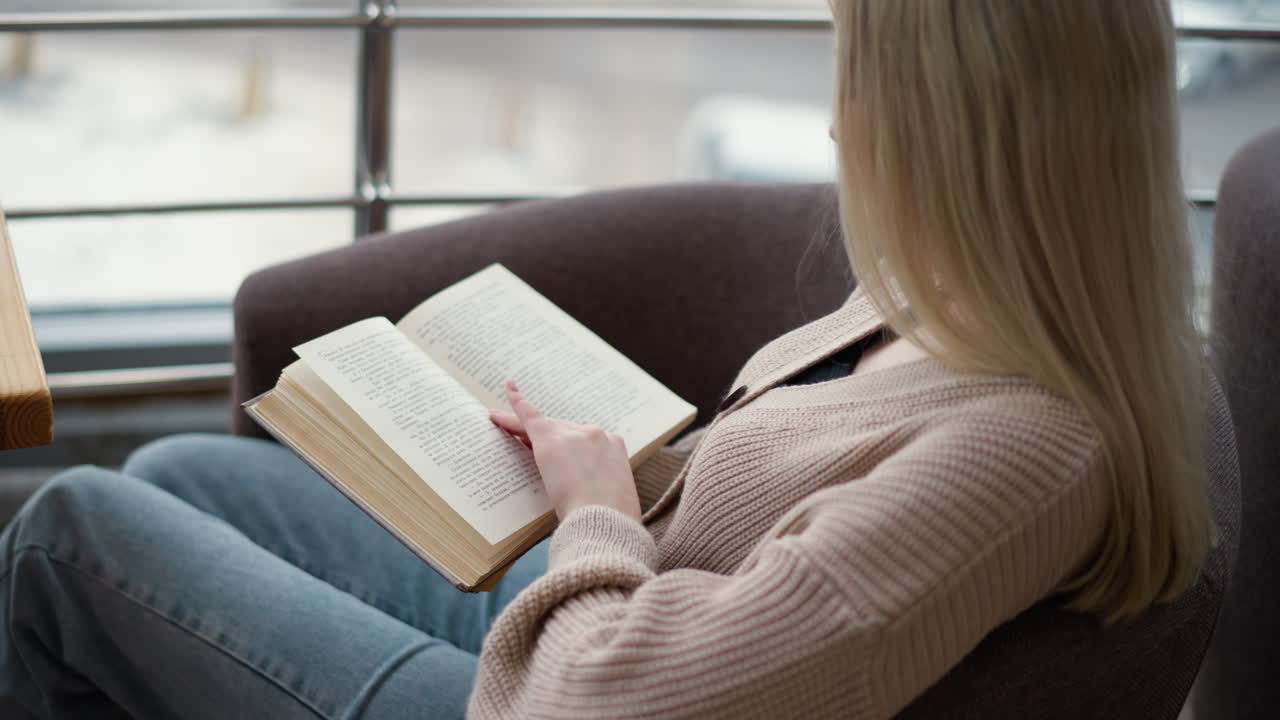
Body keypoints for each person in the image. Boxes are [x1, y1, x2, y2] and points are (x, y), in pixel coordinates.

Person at [0, 1, 1213, 717]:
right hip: (589, 607)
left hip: (554, 690)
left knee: (72, 532)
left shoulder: (1026, 457)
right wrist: (600, 471)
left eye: (857, 90)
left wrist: (592, 518)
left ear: (955, 136)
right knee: (178, 473)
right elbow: (761, 512)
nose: (840, 125)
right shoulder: (952, 298)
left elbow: (613, 707)